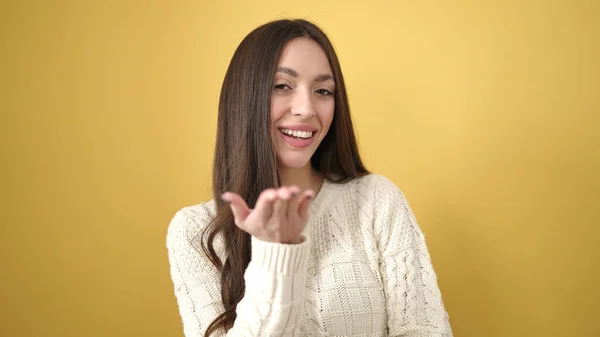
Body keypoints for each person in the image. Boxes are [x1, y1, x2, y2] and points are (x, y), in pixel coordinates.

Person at [166, 19, 453, 337]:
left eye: (323, 91)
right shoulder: (196, 233)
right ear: (245, 98)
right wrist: (277, 251)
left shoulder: (376, 200)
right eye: (282, 86)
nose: (306, 109)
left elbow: (425, 330)